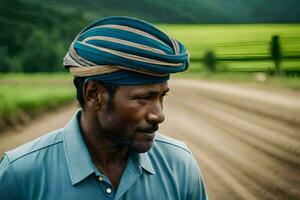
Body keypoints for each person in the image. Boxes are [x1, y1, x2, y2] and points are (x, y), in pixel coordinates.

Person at [0, 16, 208, 200]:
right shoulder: (20, 174)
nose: (159, 115)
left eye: (162, 96)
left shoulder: (180, 166)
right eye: (144, 97)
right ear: (94, 94)